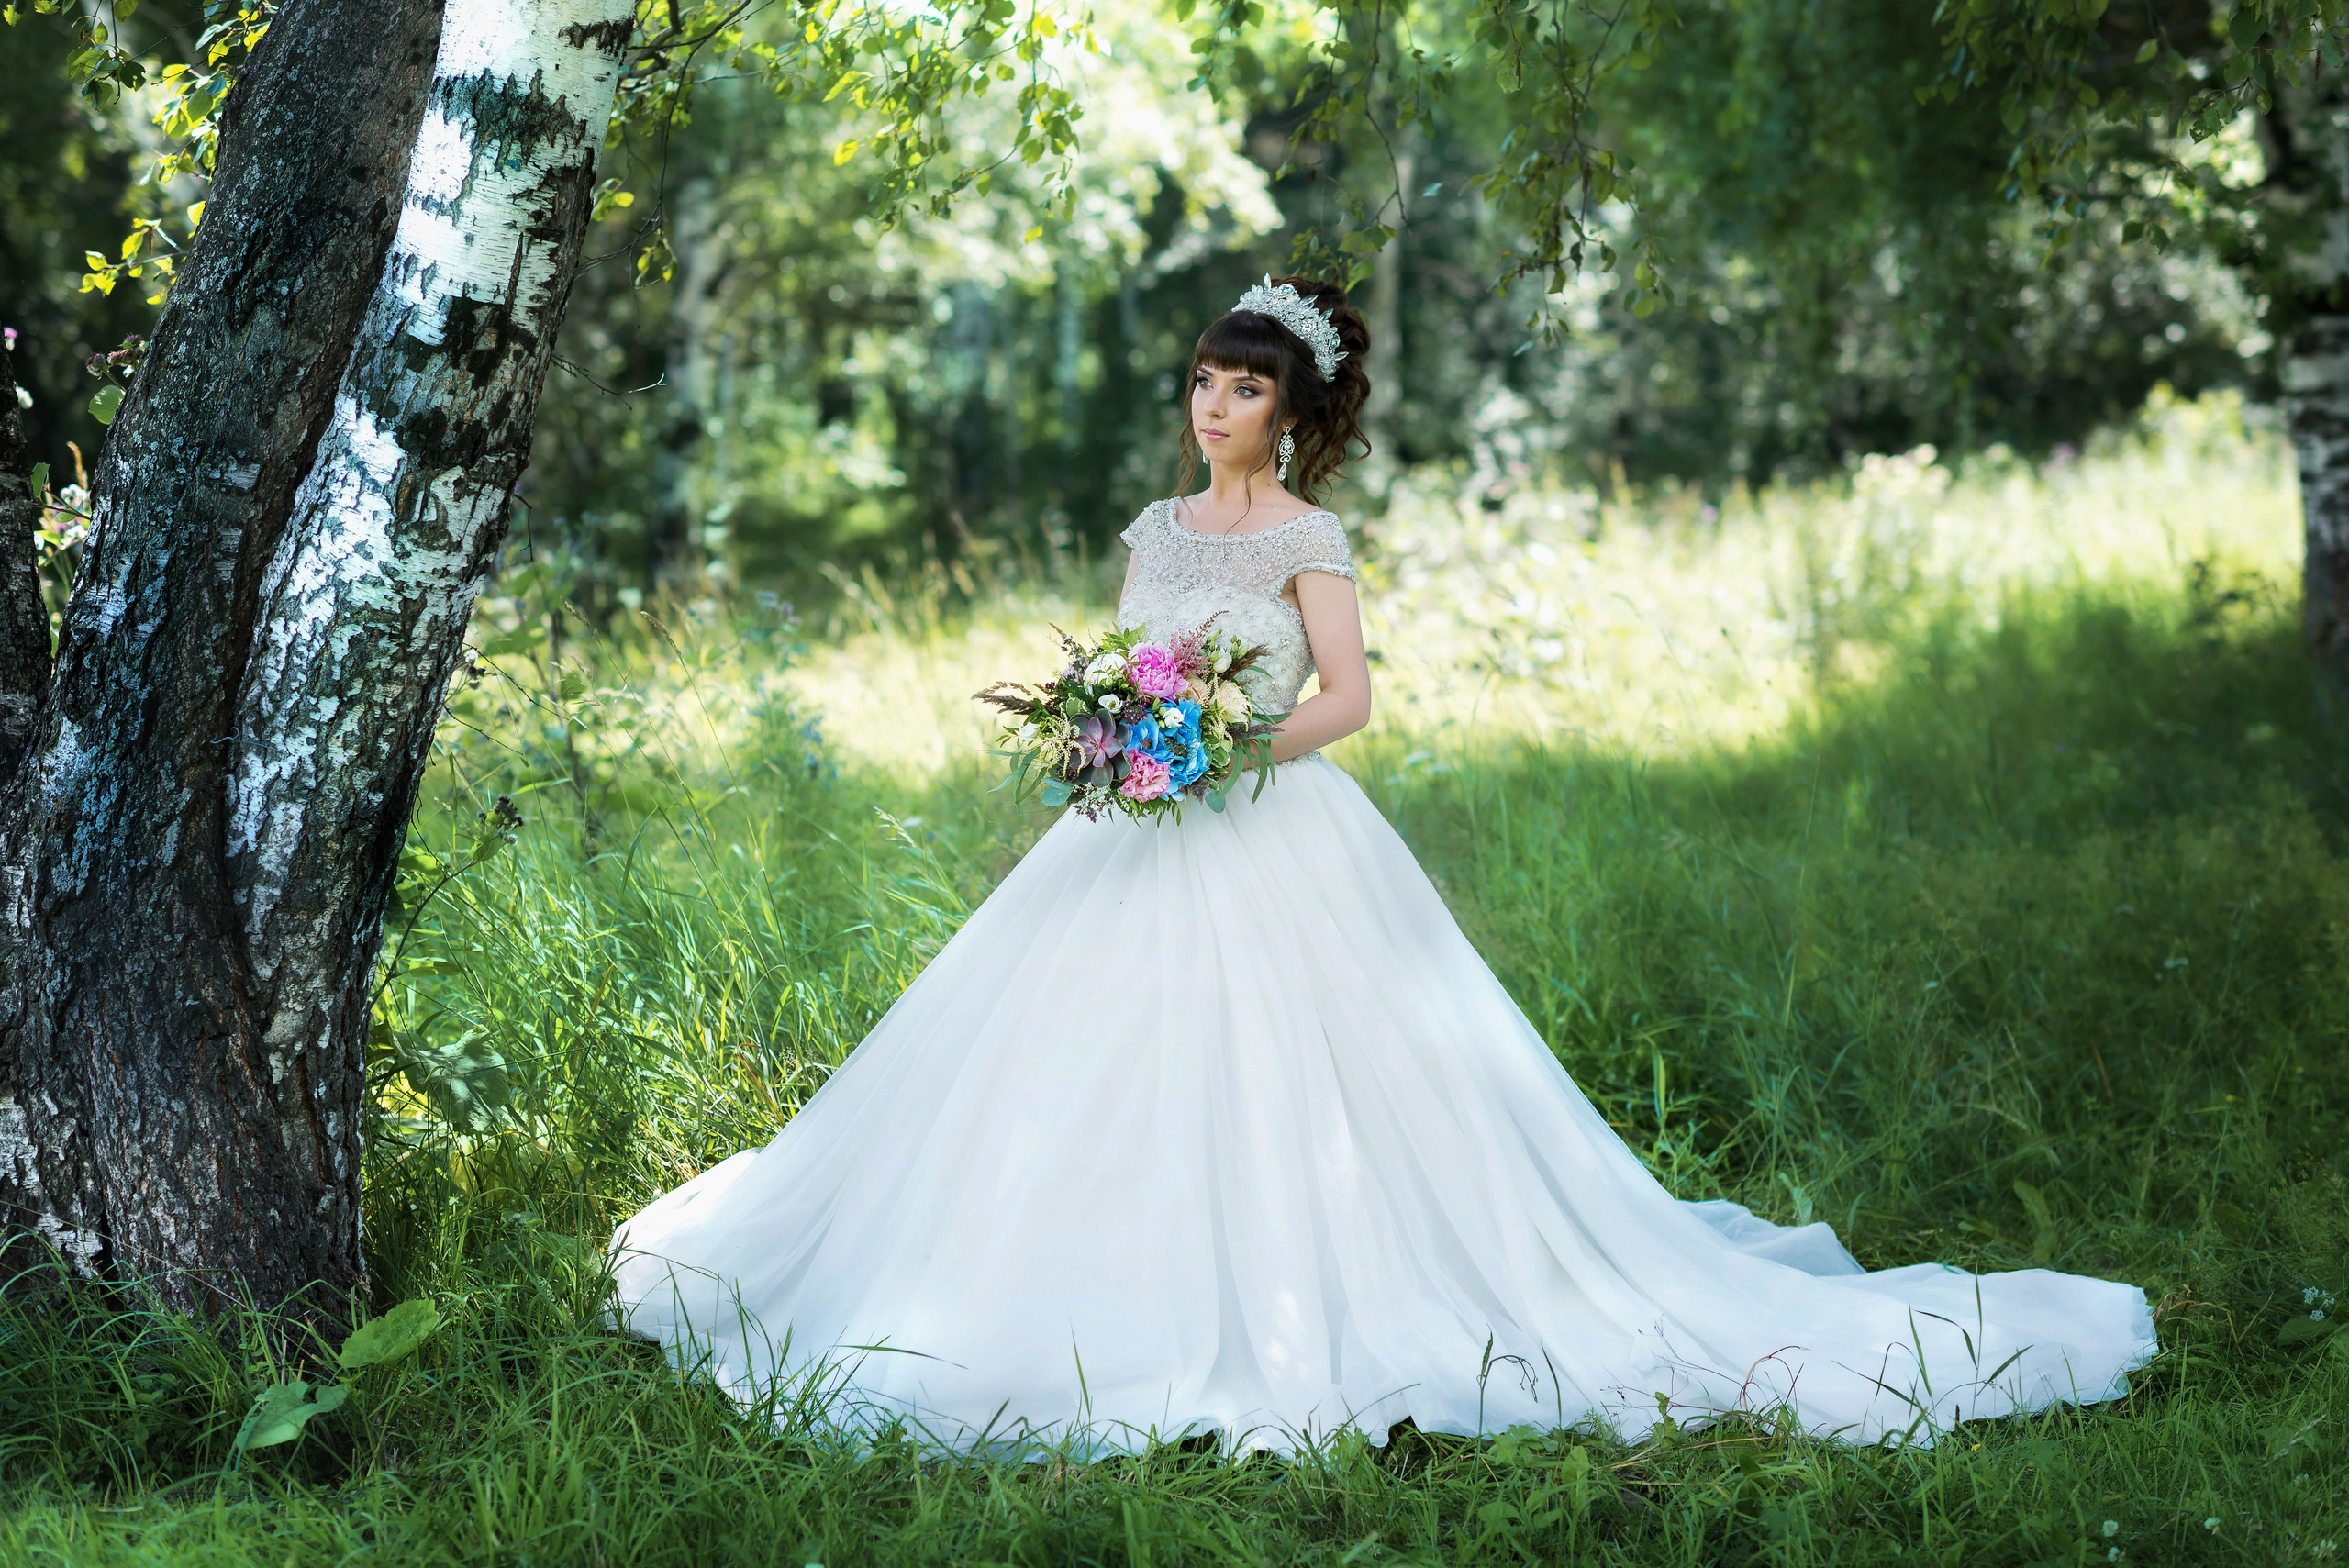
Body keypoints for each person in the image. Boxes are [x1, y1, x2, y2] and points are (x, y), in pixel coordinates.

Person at [608, 276, 2154, 1456]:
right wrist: (1111, 733)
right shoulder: (1156, 519)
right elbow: (1128, 654)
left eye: (1241, 390)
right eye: (1203, 382)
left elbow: (1347, 698)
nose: (1212, 407)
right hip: (1131, 825)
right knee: (1062, 1062)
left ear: (1289, 411)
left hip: (1268, 817)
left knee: (1308, 1077)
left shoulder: (1311, 538)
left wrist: (1225, 746)